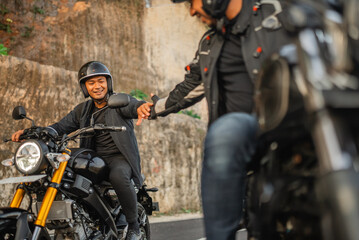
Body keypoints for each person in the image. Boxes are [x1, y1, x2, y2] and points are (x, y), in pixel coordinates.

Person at [149, 0, 291, 239]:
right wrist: (154, 108)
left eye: (191, 2)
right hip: (246, 140)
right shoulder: (209, 43)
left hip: (293, 124)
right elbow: (191, 86)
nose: (192, 11)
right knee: (226, 132)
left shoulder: (277, 14)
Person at [11, 61, 152, 240]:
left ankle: (133, 225)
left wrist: (141, 107)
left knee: (118, 176)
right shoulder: (83, 110)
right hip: (93, 159)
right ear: (85, 87)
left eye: (100, 81)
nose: (97, 86)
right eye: (91, 83)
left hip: (118, 157)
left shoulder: (118, 102)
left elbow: (133, 105)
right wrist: (32, 132)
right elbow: (60, 127)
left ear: (108, 82)